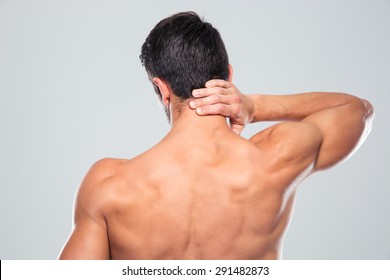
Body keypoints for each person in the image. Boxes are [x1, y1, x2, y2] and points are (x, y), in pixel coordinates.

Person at [59, 11, 374, 260]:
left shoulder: (108, 184)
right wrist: (255, 105)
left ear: (161, 89)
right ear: (229, 75)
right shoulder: (275, 157)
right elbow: (356, 110)